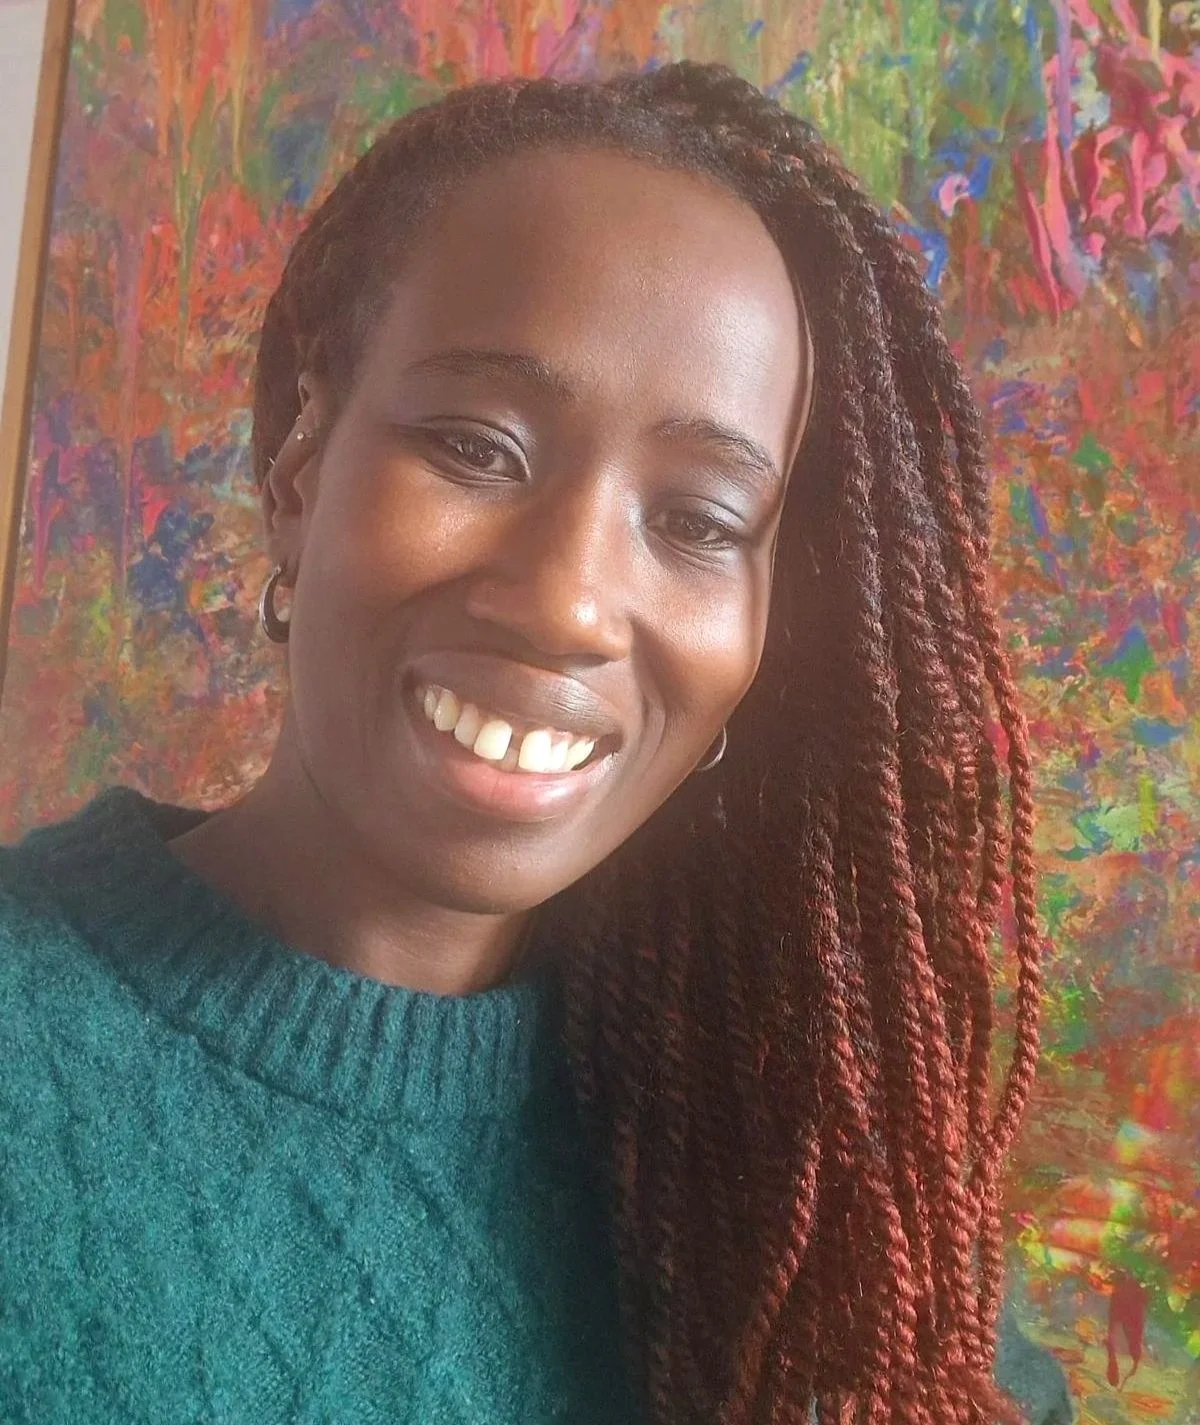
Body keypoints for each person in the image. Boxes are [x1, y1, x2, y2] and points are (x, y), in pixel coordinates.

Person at [0, 62, 1073, 1425]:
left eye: (696, 522)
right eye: (476, 446)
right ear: (297, 473)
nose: (568, 601)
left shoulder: (795, 1161)